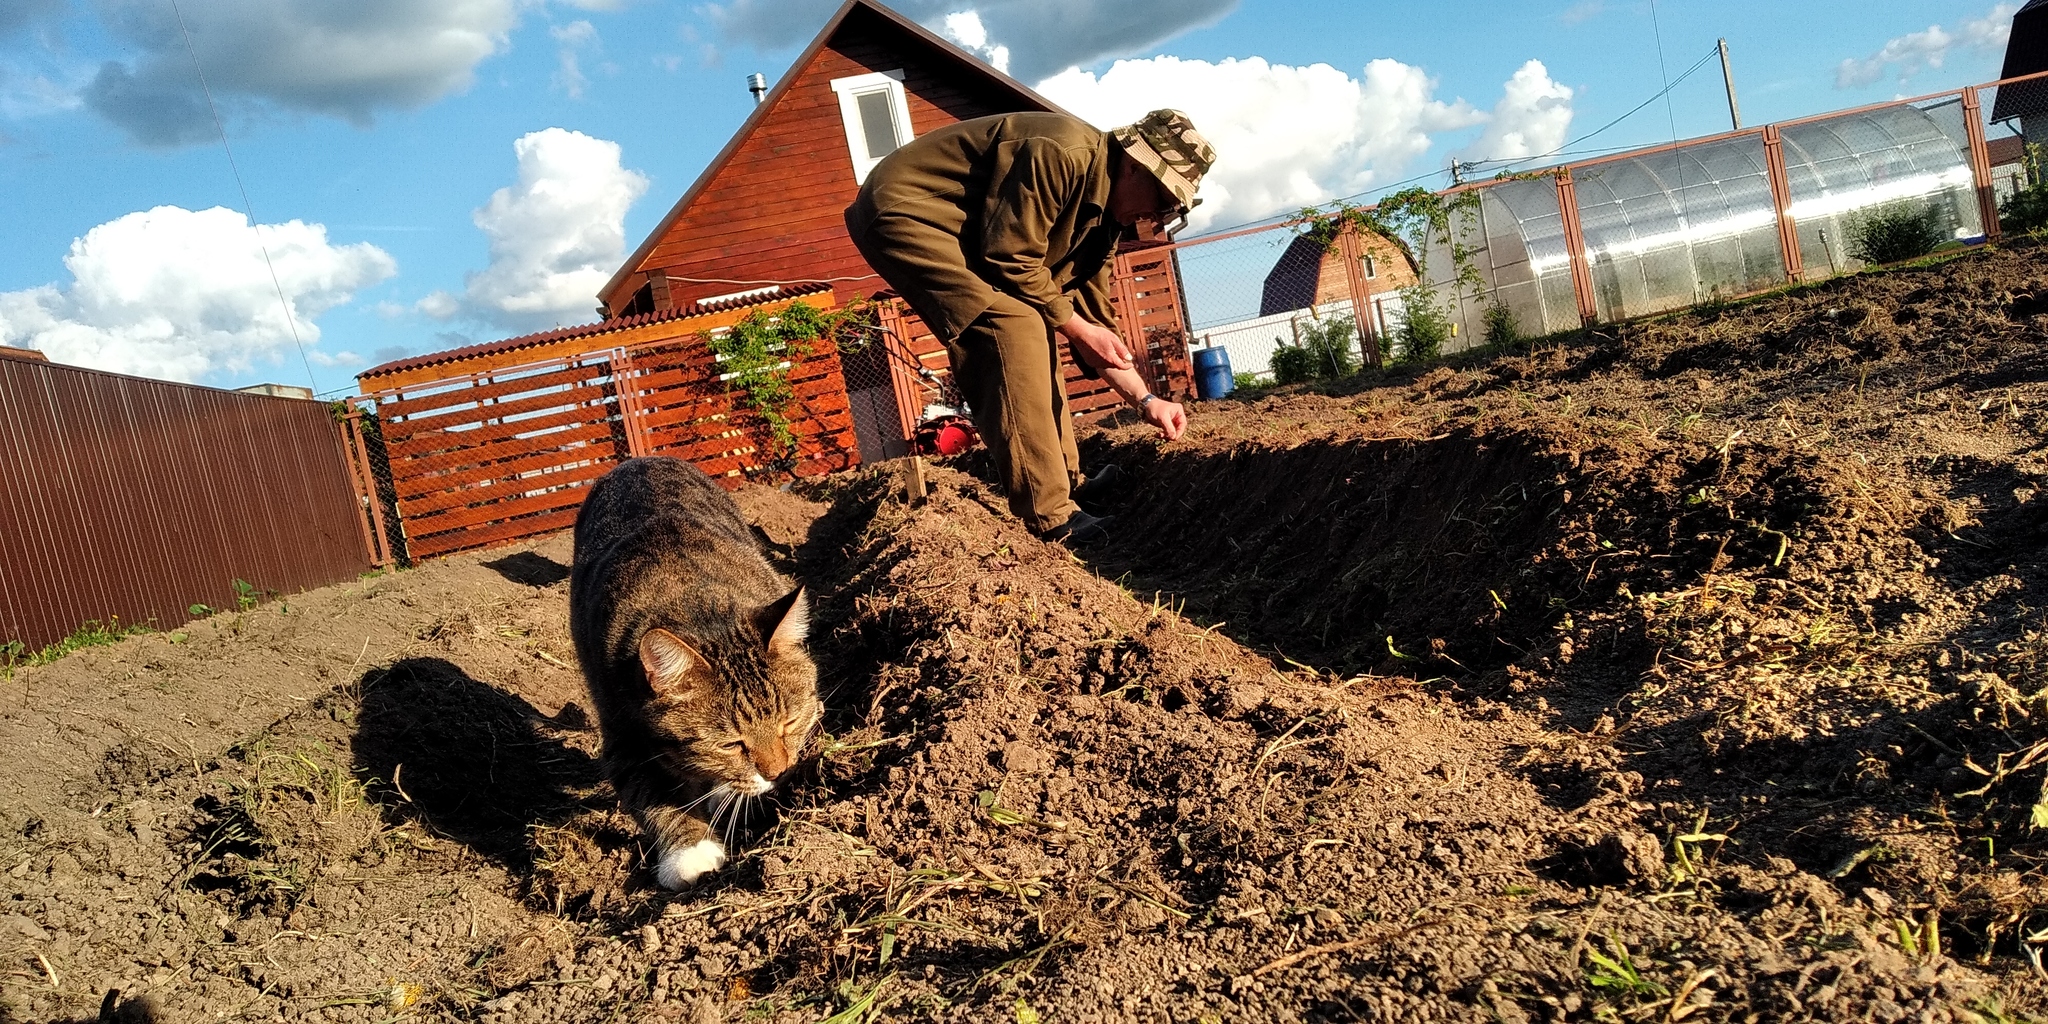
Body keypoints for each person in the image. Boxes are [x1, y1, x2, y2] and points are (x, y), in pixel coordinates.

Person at [845, 108, 1215, 545]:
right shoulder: (1058, 152)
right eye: (1163, 198)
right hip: (903, 210)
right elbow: (1008, 257)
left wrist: (1146, 399)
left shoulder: (1102, 221)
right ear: (1134, 164)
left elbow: (1094, 325)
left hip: (969, 233)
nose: (1159, 213)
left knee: (1039, 327)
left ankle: (1068, 483)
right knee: (1009, 326)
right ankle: (1049, 514)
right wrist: (1076, 326)